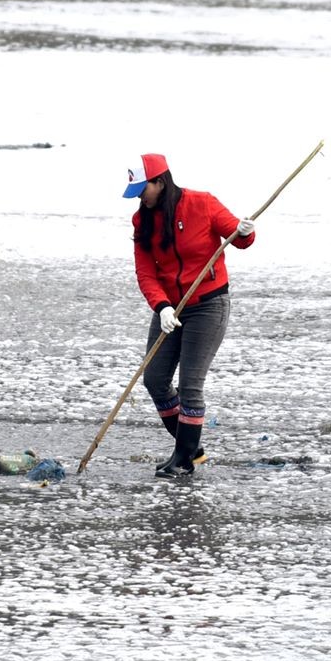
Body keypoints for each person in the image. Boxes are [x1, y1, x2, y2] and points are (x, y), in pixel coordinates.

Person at [124, 152, 255, 478]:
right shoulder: (142, 222)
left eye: (144, 189)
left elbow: (241, 240)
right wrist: (162, 306)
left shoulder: (202, 204)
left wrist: (245, 230)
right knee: (154, 379)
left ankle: (182, 460)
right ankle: (193, 451)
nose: (141, 196)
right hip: (171, 307)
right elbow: (145, 274)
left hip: (209, 305)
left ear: (160, 181)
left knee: (190, 383)